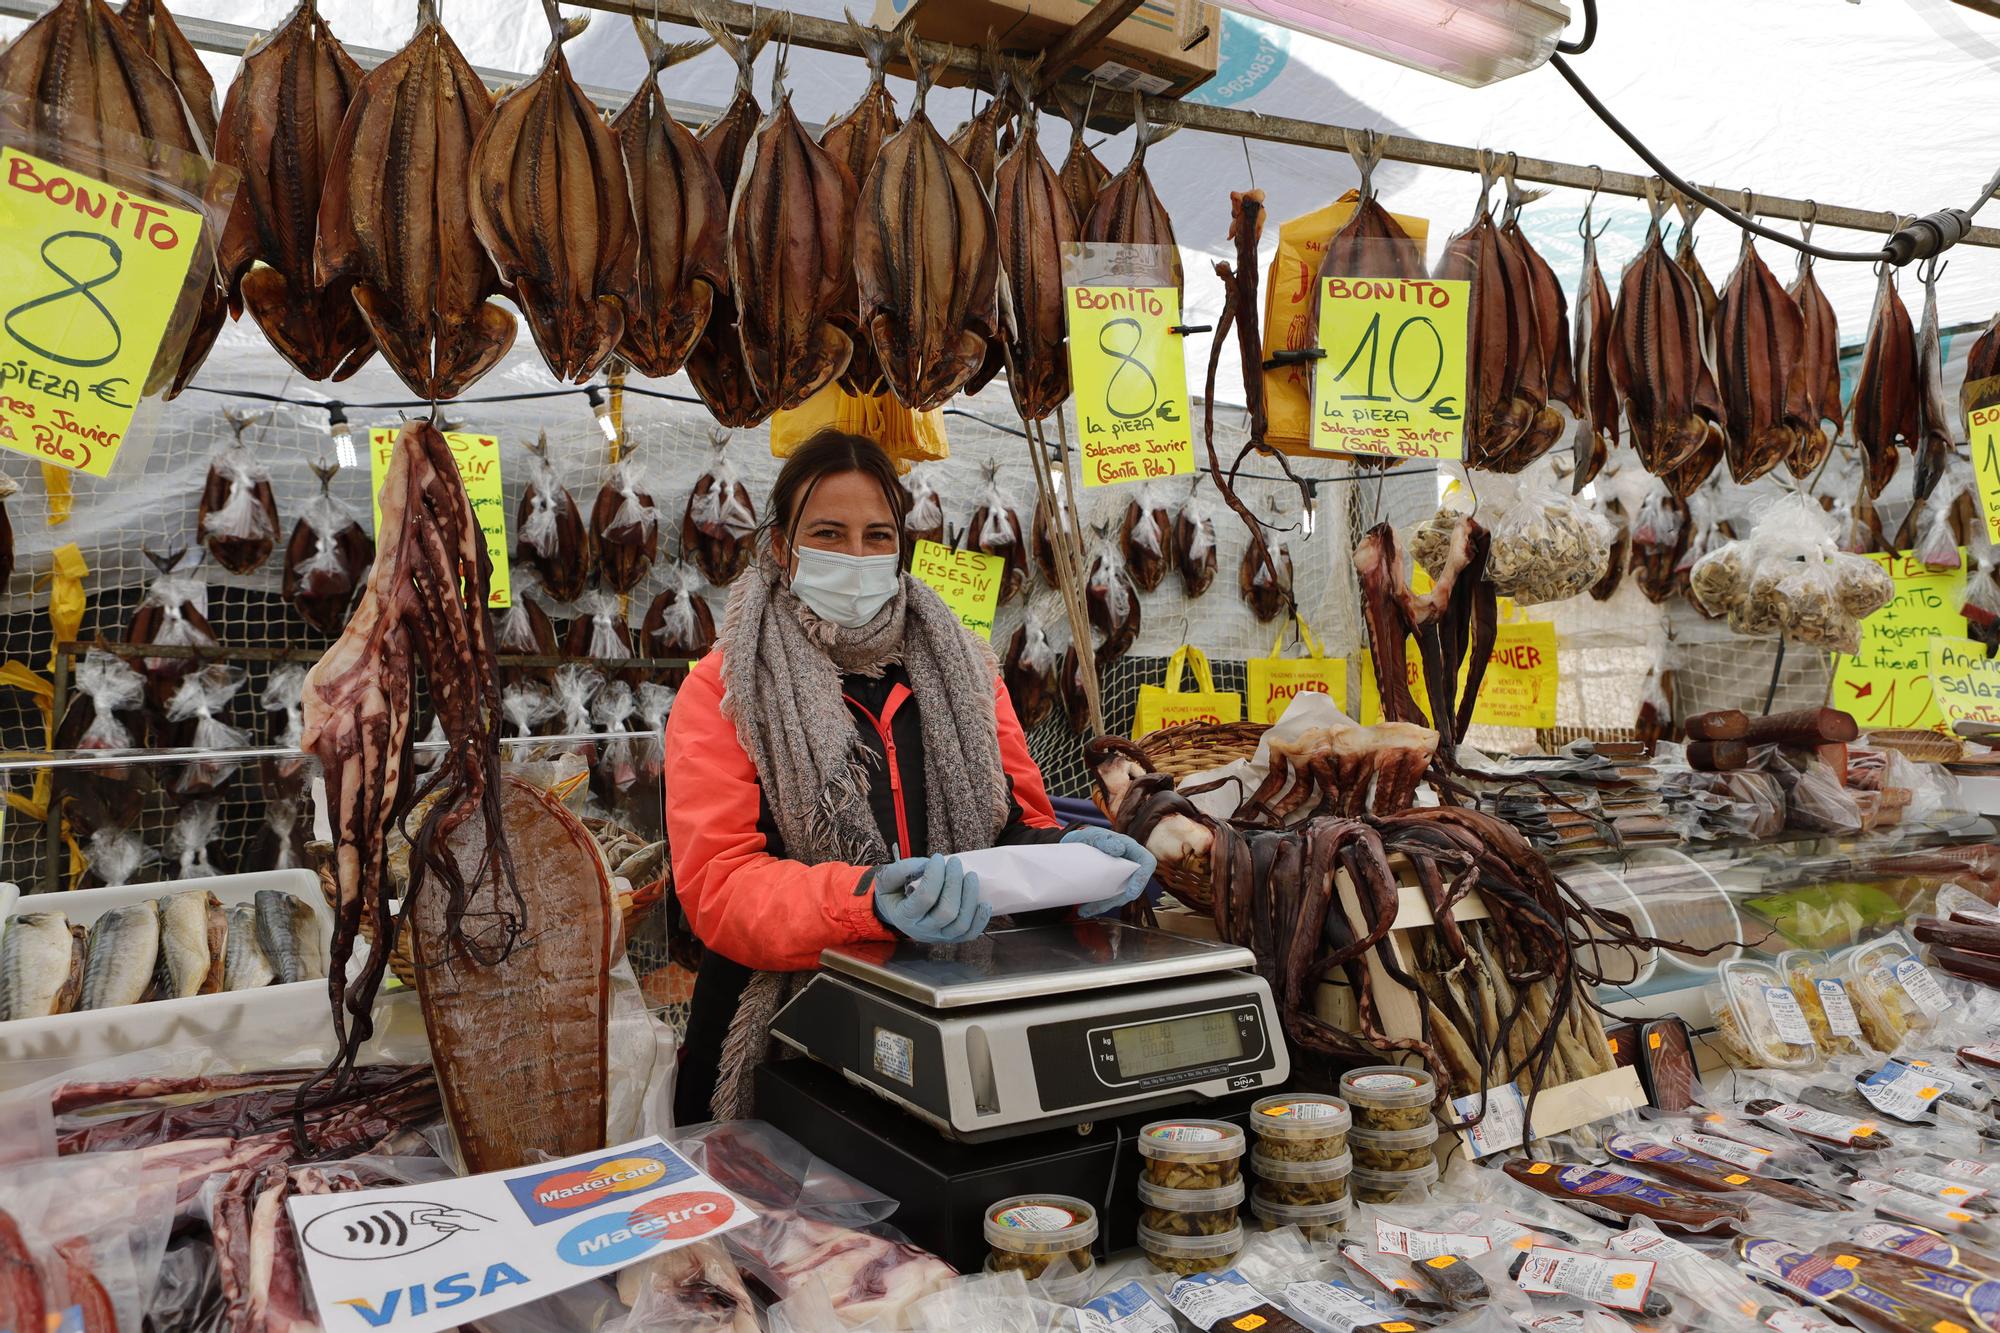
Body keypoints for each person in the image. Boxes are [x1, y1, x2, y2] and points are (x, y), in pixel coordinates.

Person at [664, 430, 1155, 1125]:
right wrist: (865, 900)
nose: (856, 555)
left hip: (951, 1014)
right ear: (782, 546)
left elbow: (1019, 820)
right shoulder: (724, 690)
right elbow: (719, 885)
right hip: (783, 1034)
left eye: (877, 535)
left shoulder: (968, 670)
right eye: (828, 533)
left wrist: (1074, 858)